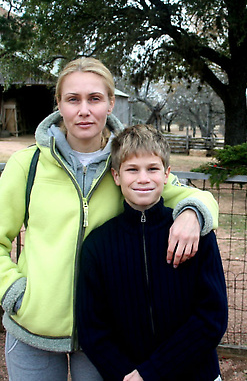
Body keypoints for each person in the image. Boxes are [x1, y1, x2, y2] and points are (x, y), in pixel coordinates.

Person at [0, 57, 219, 381]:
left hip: (104, 337)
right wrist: (15, 294)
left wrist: (192, 215)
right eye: (73, 99)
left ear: (110, 103)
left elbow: (197, 197)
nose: (84, 110)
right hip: (33, 331)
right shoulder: (26, 165)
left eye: (95, 99)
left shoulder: (127, 163)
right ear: (59, 104)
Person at [76, 125, 228, 381]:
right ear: (116, 176)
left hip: (196, 374)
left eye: (153, 169)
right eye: (132, 170)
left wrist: (151, 372)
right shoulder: (98, 245)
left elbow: (212, 317)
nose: (143, 178)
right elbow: (93, 328)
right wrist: (130, 375)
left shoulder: (195, 233)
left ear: (167, 174)